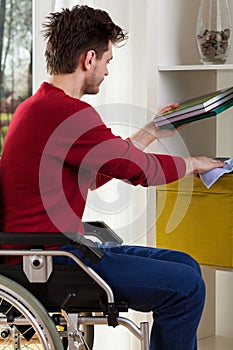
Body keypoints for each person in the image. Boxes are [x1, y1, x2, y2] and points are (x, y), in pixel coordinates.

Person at [0, 5, 225, 350]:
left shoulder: (38, 108)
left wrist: (150, 131)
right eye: (107, 61)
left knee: (185, 264)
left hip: (47, 250)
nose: (106, 72)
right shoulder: (66, 113)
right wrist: (195, 163)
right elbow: (138, 170)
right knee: (187, 287)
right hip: (51, 259)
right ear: (89, 59)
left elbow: (98, 171)